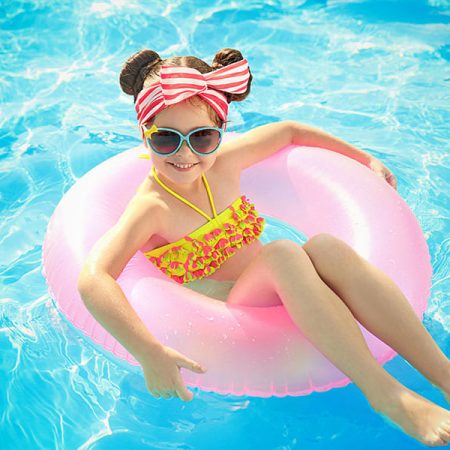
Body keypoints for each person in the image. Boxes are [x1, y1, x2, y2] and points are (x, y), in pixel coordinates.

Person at [77, 47, 450, 446]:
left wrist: (363, 159)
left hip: (277, 284)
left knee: (327, 247)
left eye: (202, 137)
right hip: (229, 311)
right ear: (143, 131)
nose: (186, 155)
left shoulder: (224, 164)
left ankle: (444, 375)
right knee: (285, 252)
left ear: (220, 130)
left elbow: (288, 130)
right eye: (166, 139)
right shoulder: (151, 207)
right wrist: (149, 351)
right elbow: (92, 278)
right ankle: (385, 394)